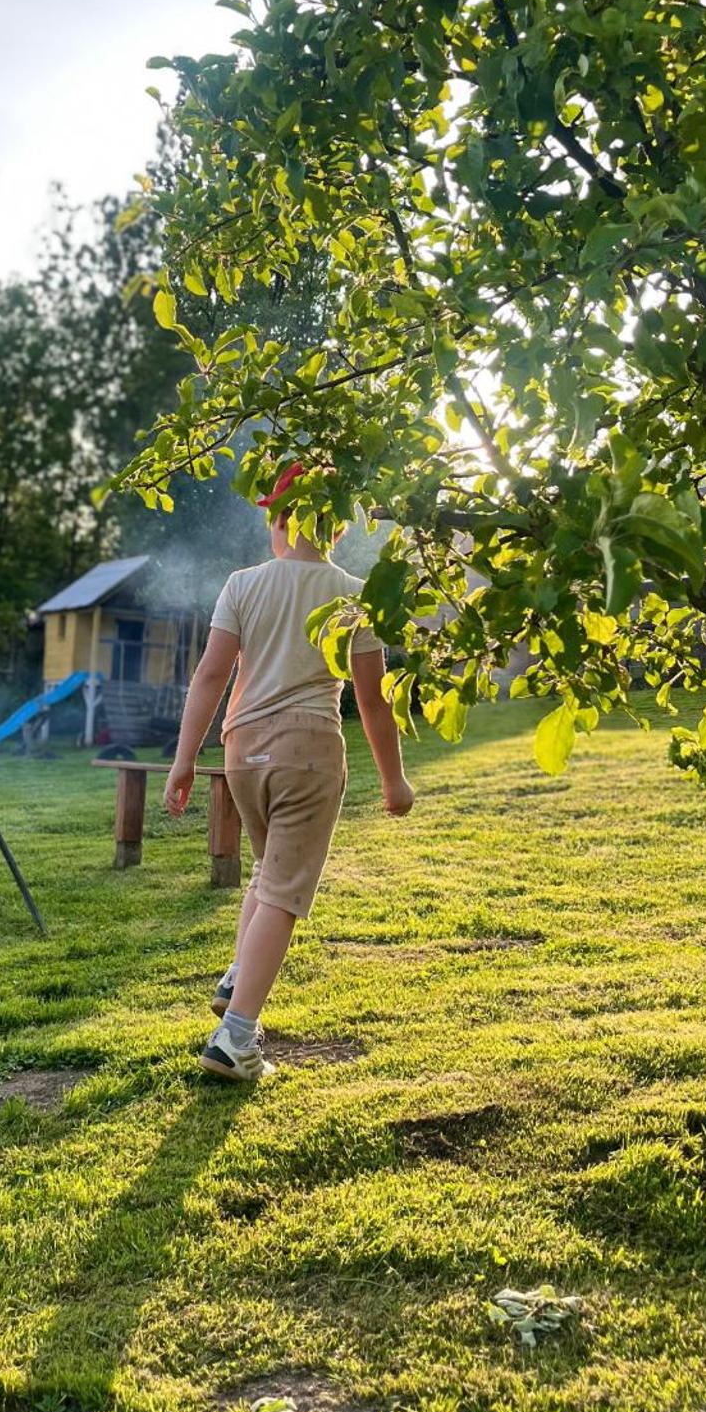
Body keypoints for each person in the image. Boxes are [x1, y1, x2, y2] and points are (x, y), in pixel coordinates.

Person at [164, 463, 415, 1081]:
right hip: (307, 752)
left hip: (239, 750)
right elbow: (372, 697)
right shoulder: (353, 594)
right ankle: (237, 1037)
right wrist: (393, 781)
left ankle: (234, 981)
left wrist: (184, 760)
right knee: (283, 890)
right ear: (332, 526)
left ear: (282, 519)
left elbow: (211, 676)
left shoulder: (242, 584)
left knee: (267, 874)